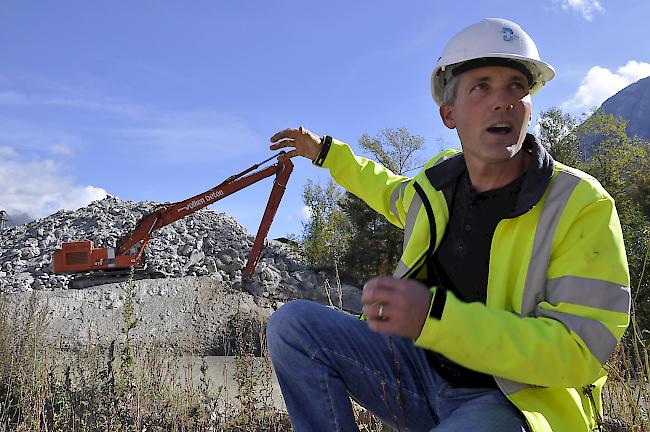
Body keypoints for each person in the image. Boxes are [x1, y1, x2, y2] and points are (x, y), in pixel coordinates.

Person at [266, 18, 630, 432]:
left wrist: (434, 317)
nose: (503, 101)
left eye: (516, 86)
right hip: (421, 376)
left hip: (515, 401)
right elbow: (387, 189)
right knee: (292, 326)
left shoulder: (580, 203)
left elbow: (580, 349)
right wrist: (325, 153)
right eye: (482, 87)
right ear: (448, 114)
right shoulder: (435, 187)